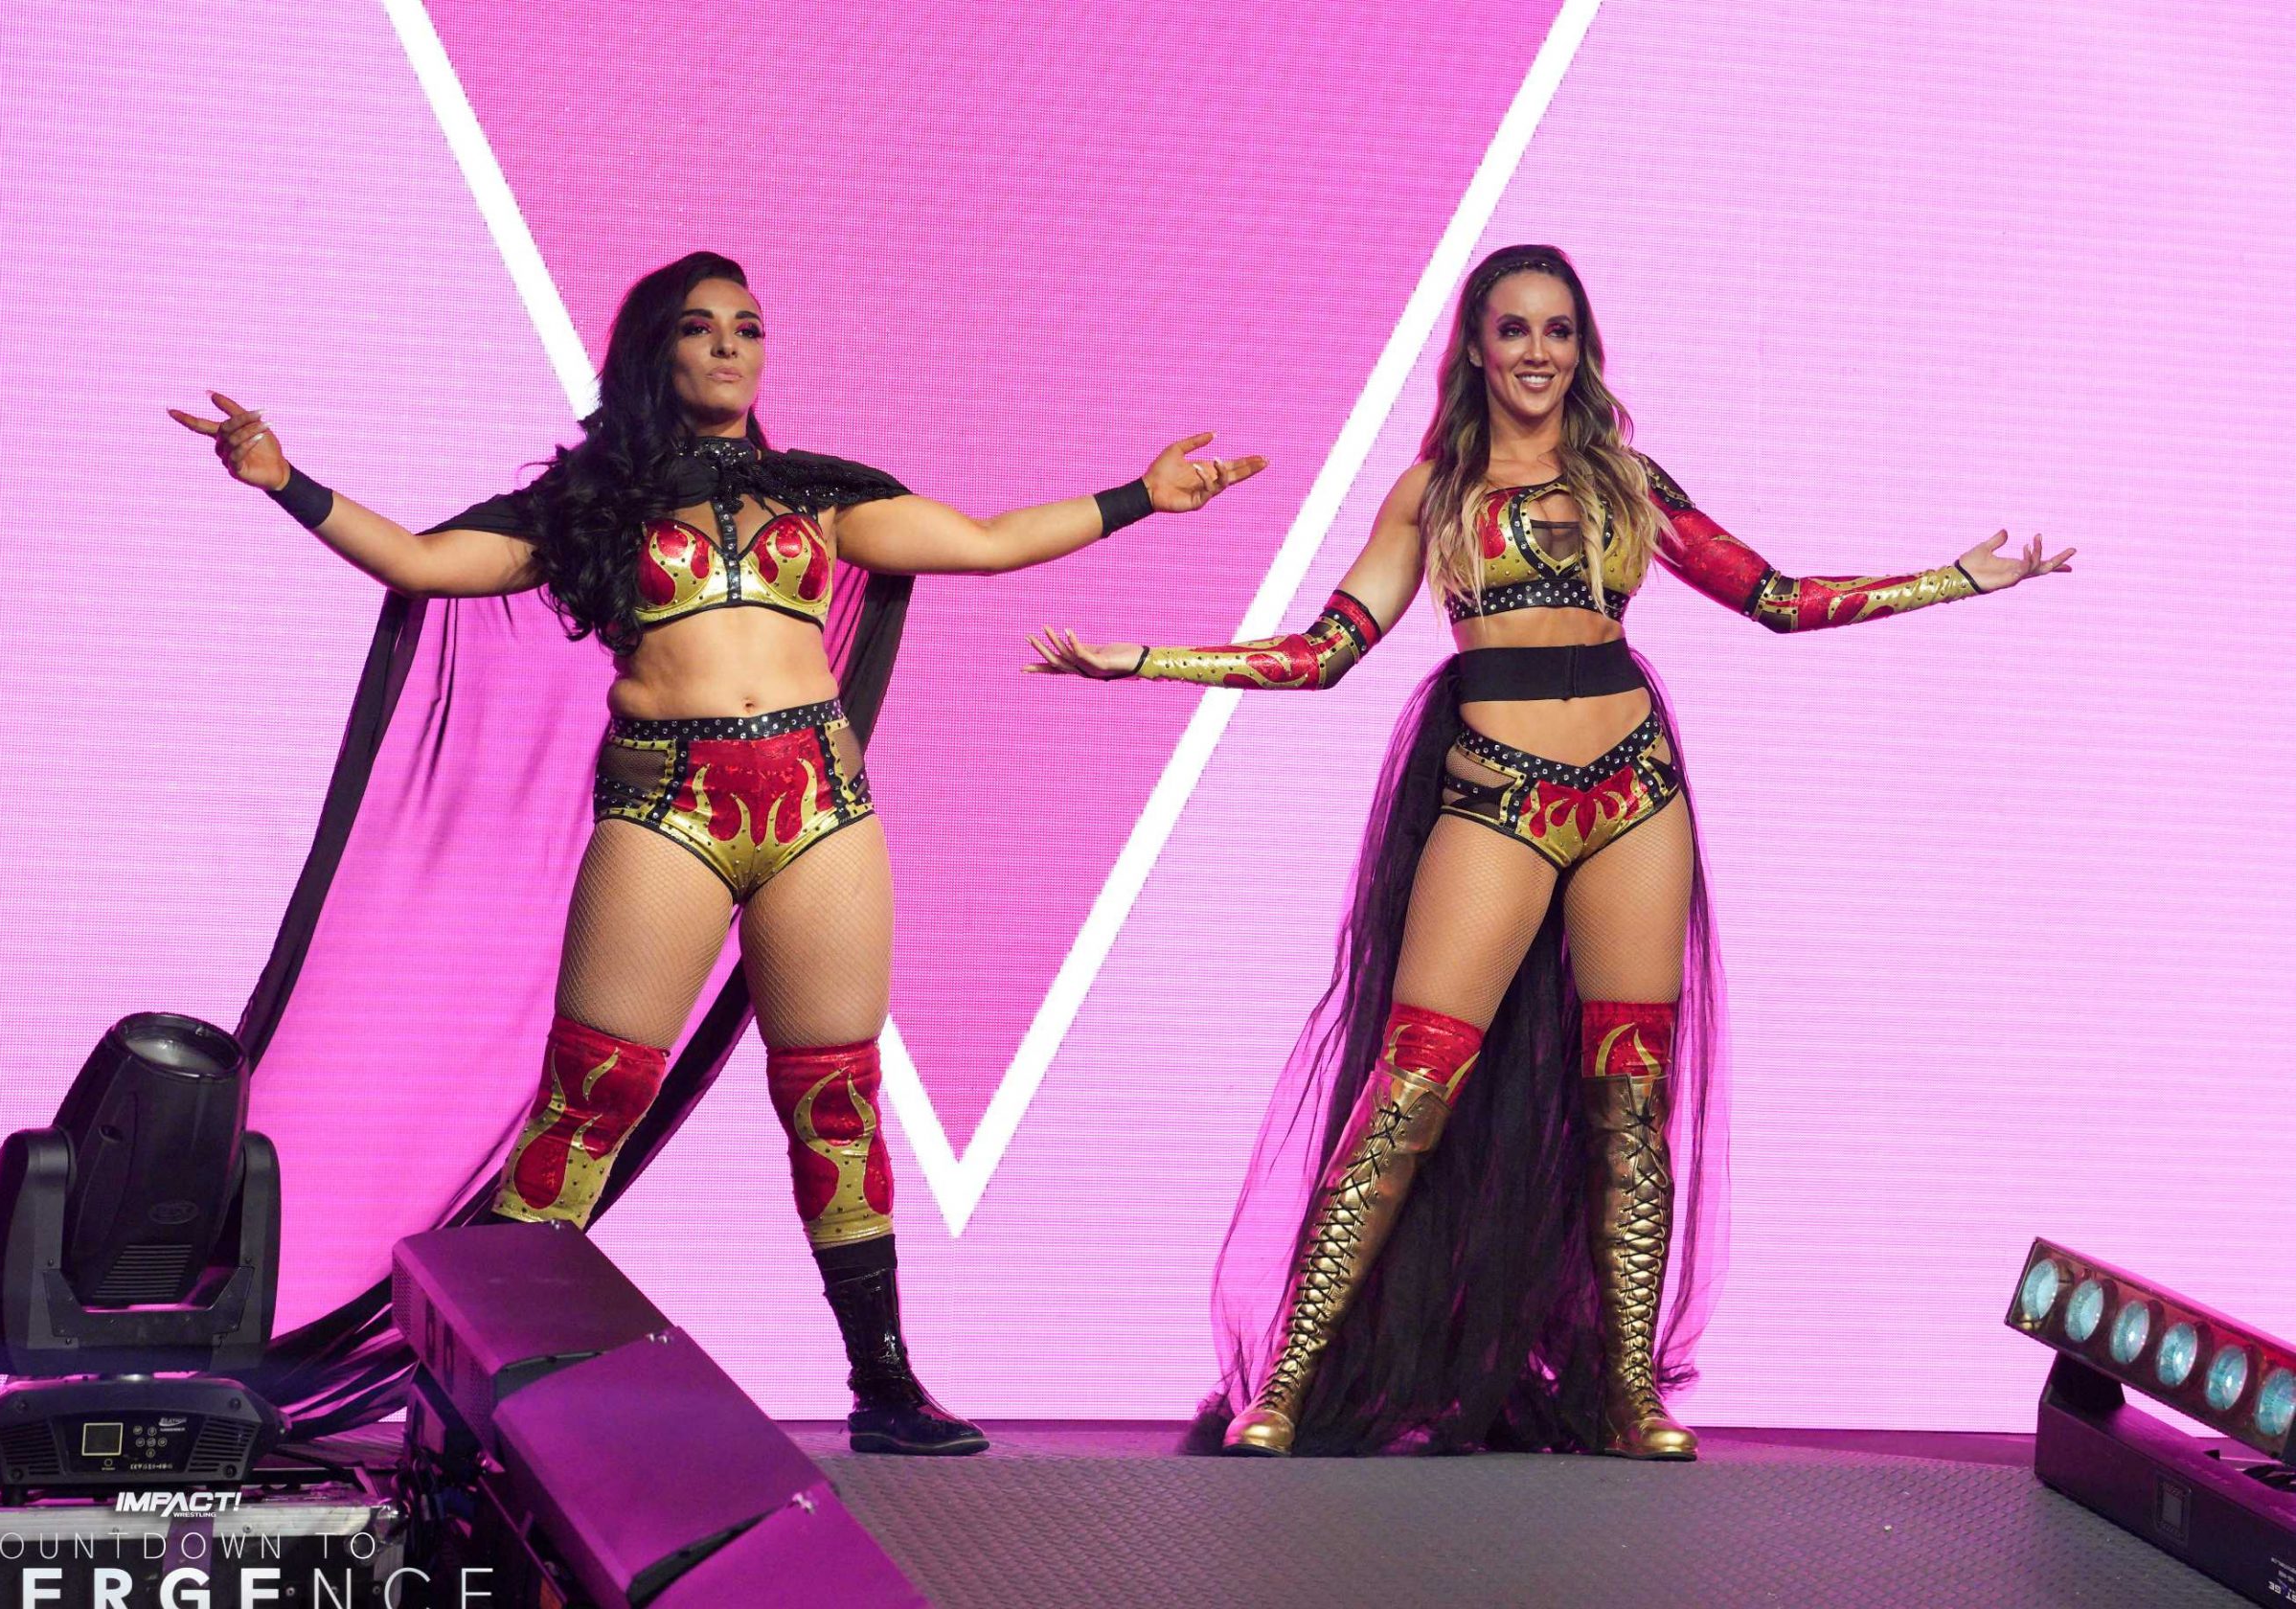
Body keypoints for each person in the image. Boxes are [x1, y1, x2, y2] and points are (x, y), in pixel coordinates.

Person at [174, 250, 1263, 1454]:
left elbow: (990, 541)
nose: (732, 346)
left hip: (820, 808)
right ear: (659, 352)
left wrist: (1140, 496)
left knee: (835, 1101)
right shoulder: (591, 508)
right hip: (668, 807)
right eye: (701, 329)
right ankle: (472, 1391)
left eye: (748, 326)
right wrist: (286, 482)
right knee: (590, 1102)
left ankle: (885, 1388)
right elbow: (424, 563)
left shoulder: (818, 494)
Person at [1028, 243, 2071, 1458]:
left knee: (1629, 1095)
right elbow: (1323, 652)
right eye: (1513, 329)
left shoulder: (1627, 480)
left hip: (1634, 790)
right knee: (1409, 1085)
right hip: (1496, 794)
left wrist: (1956, 580)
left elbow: (1774, 598)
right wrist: (1142, 661)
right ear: (1475, 349)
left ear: (1583, 349)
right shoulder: (1432, 494)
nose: (1537, 352)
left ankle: (1630, 1394)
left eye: (1558, 330)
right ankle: (1287, 1386)